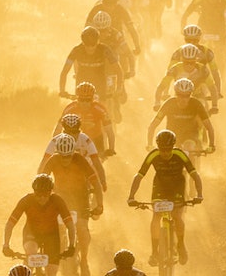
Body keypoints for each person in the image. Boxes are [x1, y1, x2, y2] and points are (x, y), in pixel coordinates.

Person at [127, 130, 204, 265]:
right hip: (160, 187)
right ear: (158, 147)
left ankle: (181, 245)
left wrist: (199, 194)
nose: (165, 153)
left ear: (173, 146)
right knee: (156, 216)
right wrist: (131, 196)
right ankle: (154, 252)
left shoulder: (180, 154)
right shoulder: (153, 155)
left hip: (177, 187)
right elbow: (139, 176)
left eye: (168, 149)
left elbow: (194, 174)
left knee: (177, 215)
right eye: (162, 150)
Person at [37, 134, 104, 276]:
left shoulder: (80, 160)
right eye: (62, 156)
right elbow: (41, 179)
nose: (65, 160)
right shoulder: (53, 160)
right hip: (59, 198)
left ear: (73, 153)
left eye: (68, 156)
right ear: (57, 153)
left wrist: (99, 204)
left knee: (82, 229)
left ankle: (84, 260)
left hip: (80, 199)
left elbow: (96, 183)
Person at [4, 175, 76, 276]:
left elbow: (70, 225)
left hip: (51, 237)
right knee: (31, 253)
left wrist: (72, 245)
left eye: (45, 195)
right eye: (38, 195)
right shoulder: (26, 200)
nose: (42, 198)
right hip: (32, 234)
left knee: (51, 275)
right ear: (34, 192)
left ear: (51, 192)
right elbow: (10, 223)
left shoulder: (57, 200)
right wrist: (6, 245)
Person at [149, 77, 217, 160]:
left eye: (186, 96)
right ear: (175, 94)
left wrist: (211, 145)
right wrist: (149, 144)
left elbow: (209, 127)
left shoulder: (196, 104)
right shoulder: (169, 103)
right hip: (172, 135)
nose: (183, 99)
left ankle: (191, 165)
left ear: (190, 95)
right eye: (180, 95)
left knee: (188, 147)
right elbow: (153, 124)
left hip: (191, 135)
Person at [58, 26, 121, 107]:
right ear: (83, 43)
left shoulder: (105, 49)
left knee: (102, 108)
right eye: (87, 45)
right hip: (82, 83)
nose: (90, 48)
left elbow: (118, 69)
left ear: (98, 42)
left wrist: (119, 88)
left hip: (100, 83)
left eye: (93, 45)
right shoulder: (76, 50)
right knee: (79, 108)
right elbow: (65, 71)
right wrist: (62, 90)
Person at [154, 45, 219, 112]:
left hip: (198, 96)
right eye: (186, 62)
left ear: (196, 60)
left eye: (192, 63)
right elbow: (162, 86)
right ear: (182, 60)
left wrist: (214, 105)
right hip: (179, 97)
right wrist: (157, 102)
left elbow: (212, 88)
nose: (189, 65)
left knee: (202, 107)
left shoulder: (202, 69)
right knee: (171, 112)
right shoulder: (175, 69)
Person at [61, 82, 114, 156]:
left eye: (87, 100)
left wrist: (111, 149)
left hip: (96, 139)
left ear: (92, 99)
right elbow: (58, 129)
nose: (84, 103)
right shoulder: (70, 108)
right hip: (74, 140)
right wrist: (55, 146)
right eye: (81, 100)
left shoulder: (100, 109)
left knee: (98, 160)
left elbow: (109, 131)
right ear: (77, 99)